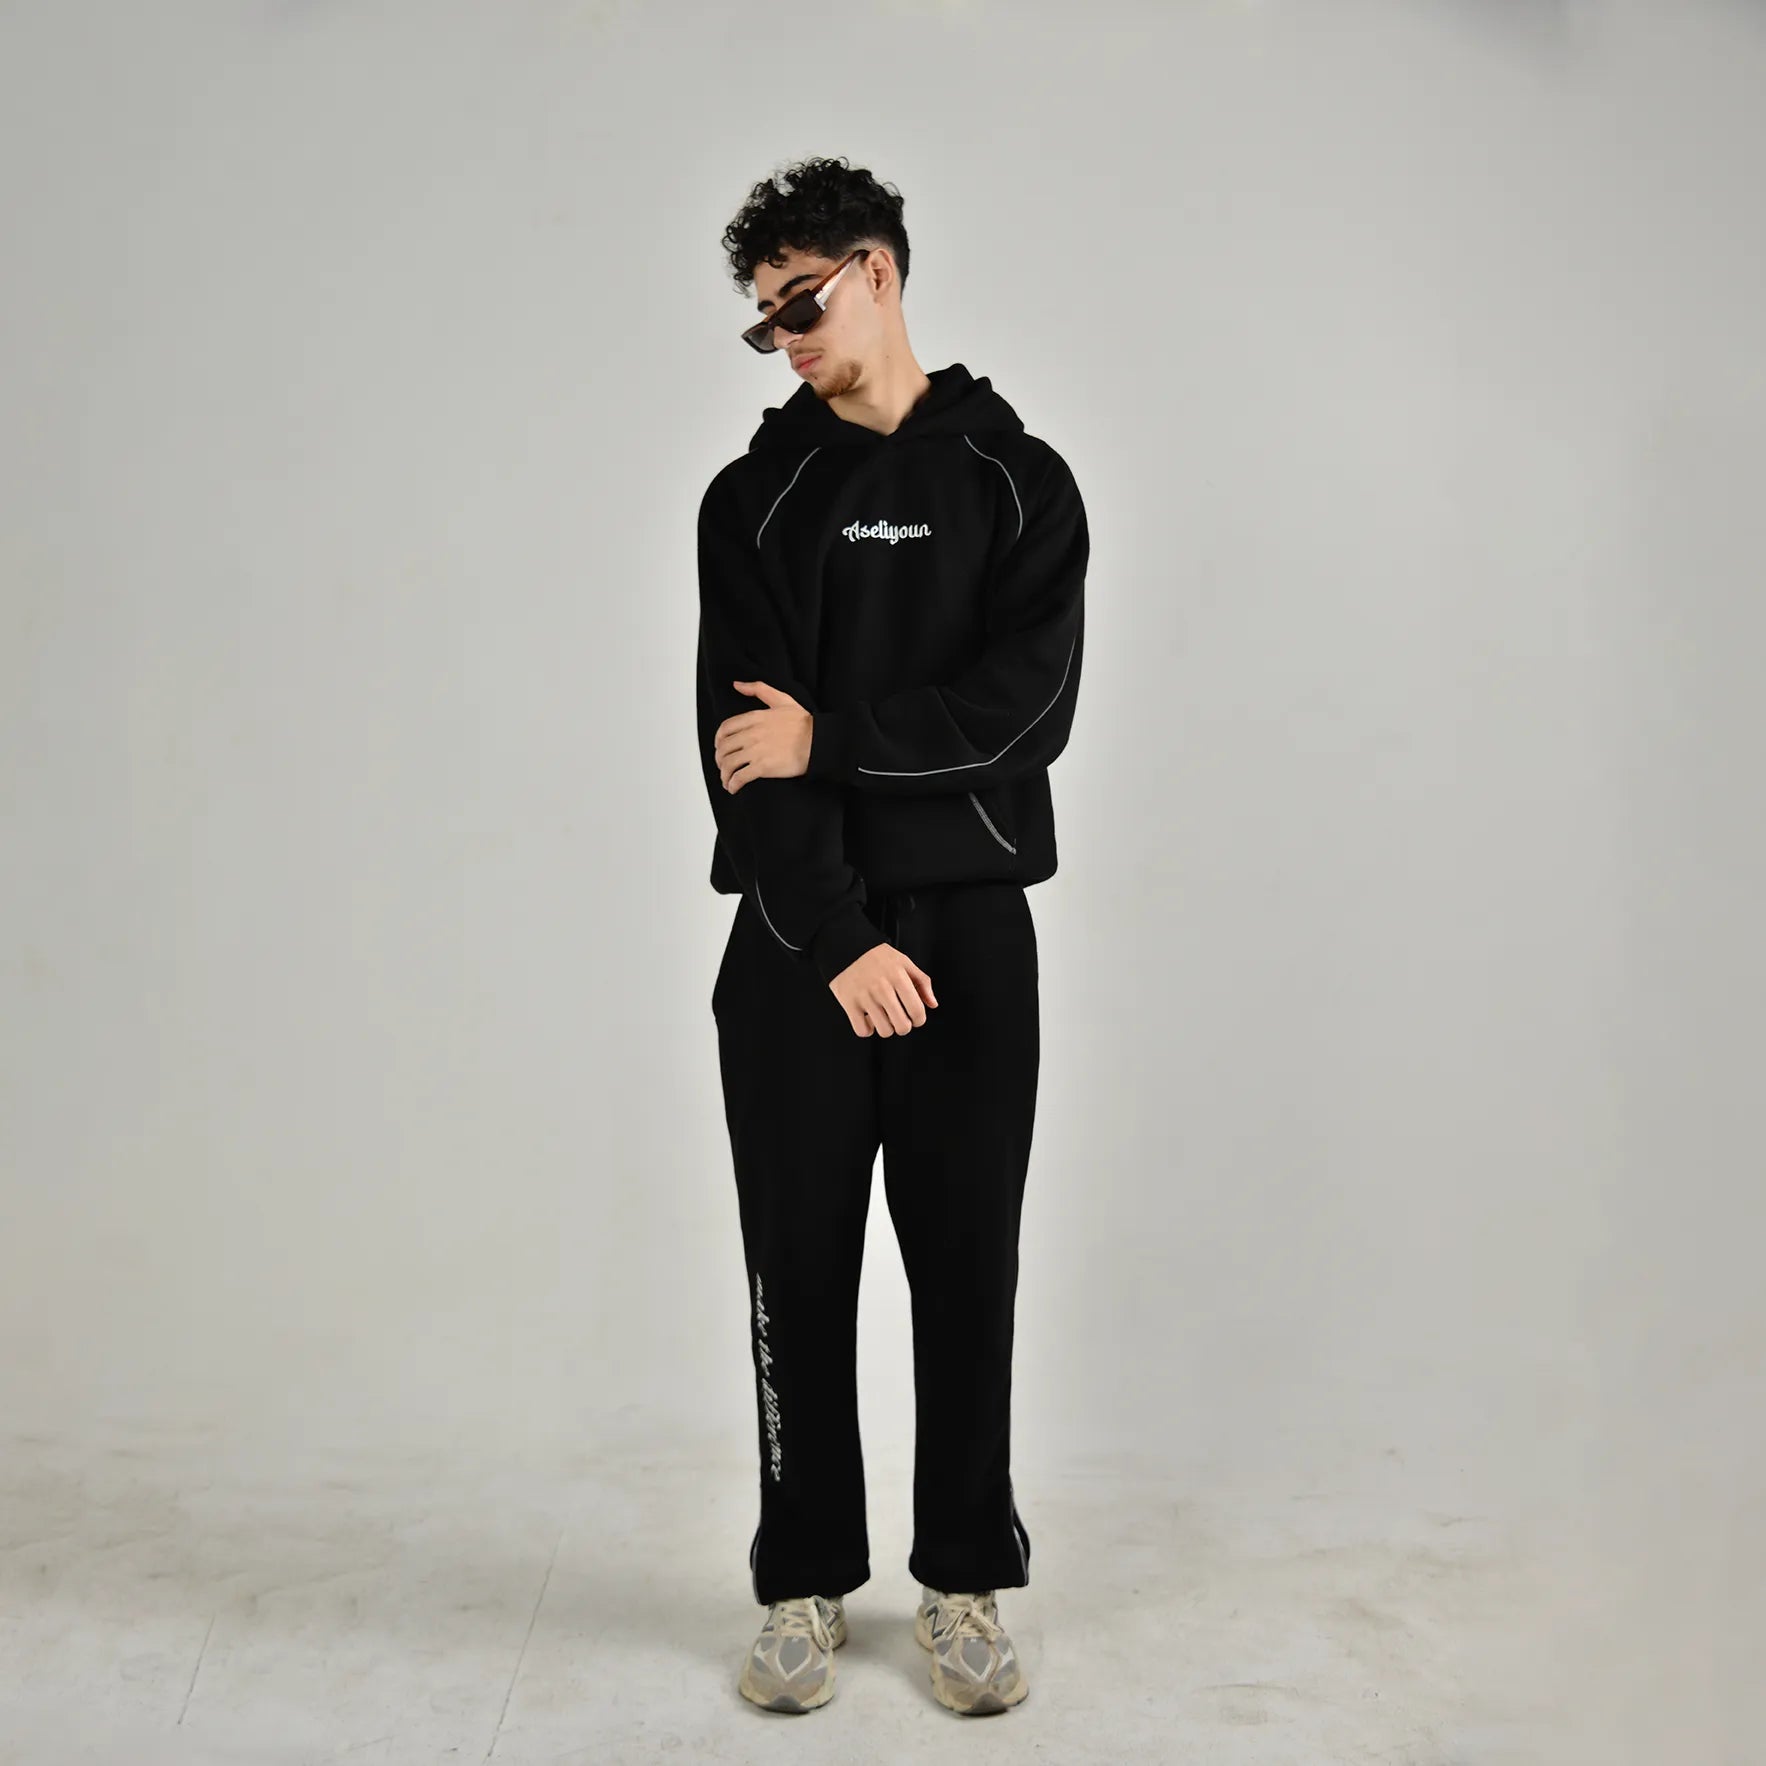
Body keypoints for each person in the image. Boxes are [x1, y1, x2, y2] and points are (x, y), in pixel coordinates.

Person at [694, 155, 1088, 1717]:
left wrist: (836, 737)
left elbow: (1025, 715)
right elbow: (740, 754)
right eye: (762, 322)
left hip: (973, 934)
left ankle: (961, 1577)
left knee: (966, 1271)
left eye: (798, 303)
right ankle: (800, 1579)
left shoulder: (1018, 481)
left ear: (876, 271)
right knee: (794, 1271)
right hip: (800, 942)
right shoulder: (753, 500)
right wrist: (840, 936)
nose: (783, 339)